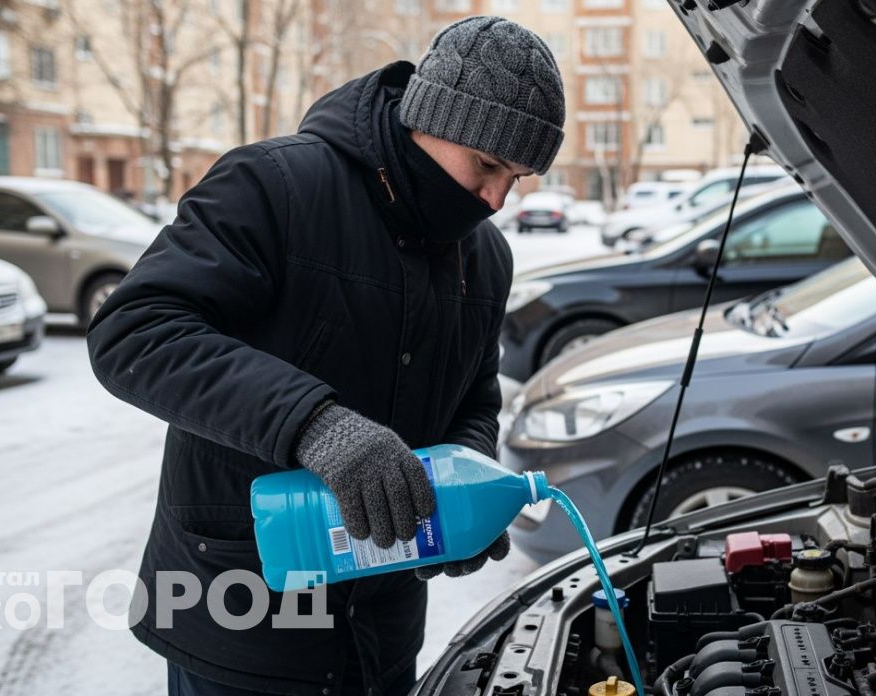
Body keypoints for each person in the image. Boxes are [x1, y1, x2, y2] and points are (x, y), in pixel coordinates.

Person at [86, 16, 565, 696]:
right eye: (487, 165)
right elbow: (135, 331)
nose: (494, 199)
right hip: (240, 620)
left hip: (384, 634)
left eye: (515, 179)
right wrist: (317, 426)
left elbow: (474, 397)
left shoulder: (485, 259)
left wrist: (461, 487)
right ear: (427, 120)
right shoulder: (276, 186)